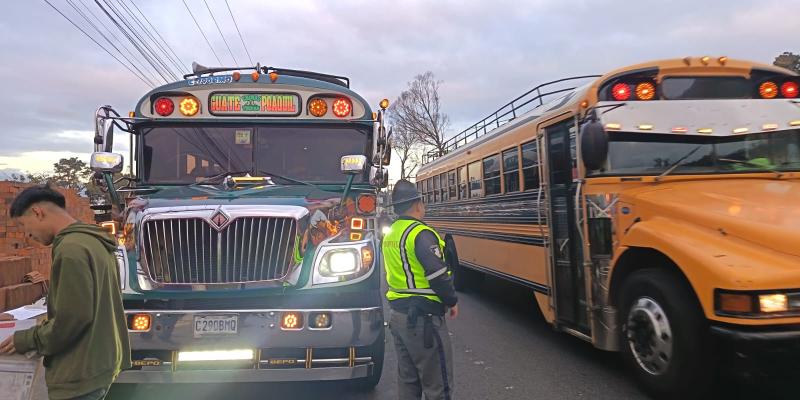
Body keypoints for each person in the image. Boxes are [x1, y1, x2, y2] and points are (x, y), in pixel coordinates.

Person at [0, 185, 131, 400]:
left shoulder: (71, 249)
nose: (27, 235)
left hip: (79, 370)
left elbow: (73, 318)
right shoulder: (93, 242)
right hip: (99, 362)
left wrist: (25, 339)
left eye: (24, 225)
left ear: (37, 212)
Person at [382, 179, 459, 400]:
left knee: (408, 382)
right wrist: (452, 301)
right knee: (438, 386)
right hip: (424, 318)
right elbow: (436, 274)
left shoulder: (391, 233)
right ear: (417, 205)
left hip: (399, 317)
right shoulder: (420, 233)